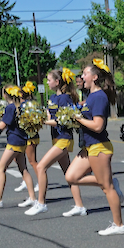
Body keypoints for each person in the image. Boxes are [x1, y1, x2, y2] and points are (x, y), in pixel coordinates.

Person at [64, 60, 124, 234]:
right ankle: (108, 181)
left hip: (99, 147)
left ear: (95, 77)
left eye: (84, 74)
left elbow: (98, 126)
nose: (82, 76)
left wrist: (78, 119)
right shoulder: (90, 97)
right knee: (71, 176)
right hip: (88, 146)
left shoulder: (99, 97)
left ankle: (119, 225)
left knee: (107, 188)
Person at [27, 68, 86, 216]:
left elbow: (64, 120)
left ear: (57, 82)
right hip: (56, 139)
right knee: (68, 174)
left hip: (64, 139)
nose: (47, 82)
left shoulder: (65, 98)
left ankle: (41, 203)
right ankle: (80, 206)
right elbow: (48, 114)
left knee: (41, 167)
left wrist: (45, 122)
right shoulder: (53, 98)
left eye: (49, 80)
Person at [0, 86, 36, 208]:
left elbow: (1, 126)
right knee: (23, 169)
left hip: (14, 142)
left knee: (0, 168)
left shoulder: (10, 108)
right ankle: (32, 197)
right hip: (22, 140)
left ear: (6, 95)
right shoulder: (20, 106)